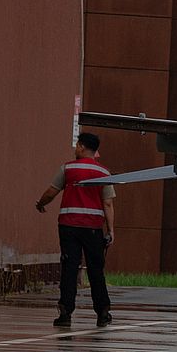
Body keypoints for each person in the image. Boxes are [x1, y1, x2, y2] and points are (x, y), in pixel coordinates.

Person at [34, 132, 116, 328]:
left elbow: (51, 191)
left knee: (69, 269)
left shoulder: (68, 168)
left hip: (69, 226)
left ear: (81, 146)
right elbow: (108, 203)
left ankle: (65, 313)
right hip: (93, 228)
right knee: (96, 270)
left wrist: (40, 203)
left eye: (76, 145)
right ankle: (103, 312)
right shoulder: (104, 173)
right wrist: (111, 230)